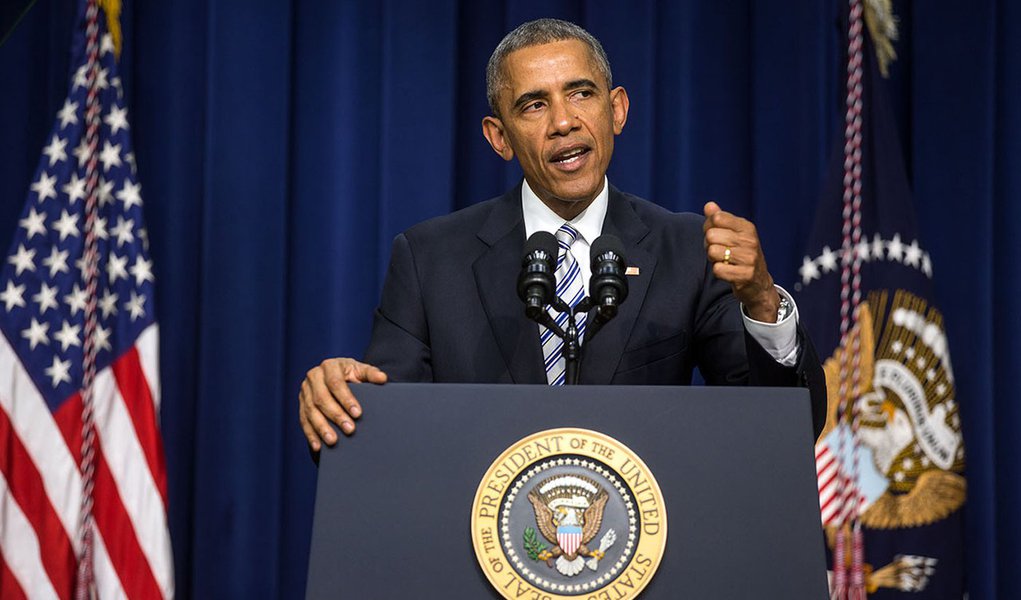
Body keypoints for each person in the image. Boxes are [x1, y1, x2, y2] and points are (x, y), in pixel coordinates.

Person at [298, 18, 826, 453]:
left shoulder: (687, 249)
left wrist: (760, 302)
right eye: (534, 104)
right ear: (499, 137)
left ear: (616, 109)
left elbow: (784, 433)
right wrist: (343, 403)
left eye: (580, 94)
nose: (564, 122)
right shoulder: (429, 258)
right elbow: (381, 448)